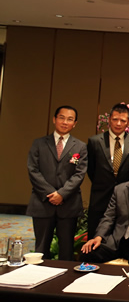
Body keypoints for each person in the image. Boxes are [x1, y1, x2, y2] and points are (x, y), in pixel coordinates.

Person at [26, 105, 87, 260]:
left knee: (66, 249)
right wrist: (51, 193)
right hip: (42, 202)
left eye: (70, 119)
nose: (65, 122)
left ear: (75, 123)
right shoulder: (39, 143)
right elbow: (33, 170)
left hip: (68, 204)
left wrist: (62, 194)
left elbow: (79, 174)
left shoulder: (81, 146)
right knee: (41, 248)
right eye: (61, 117)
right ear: (54, 119)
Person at [86, 103, 129, 238]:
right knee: (96, 235)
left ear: (128, 122)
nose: (118, 123)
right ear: (109, 120)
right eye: (115, 119)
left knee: (121, 236)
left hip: (126, 196)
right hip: (100, 196)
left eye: (122, 120)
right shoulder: (95, 141)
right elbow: (91, 169)